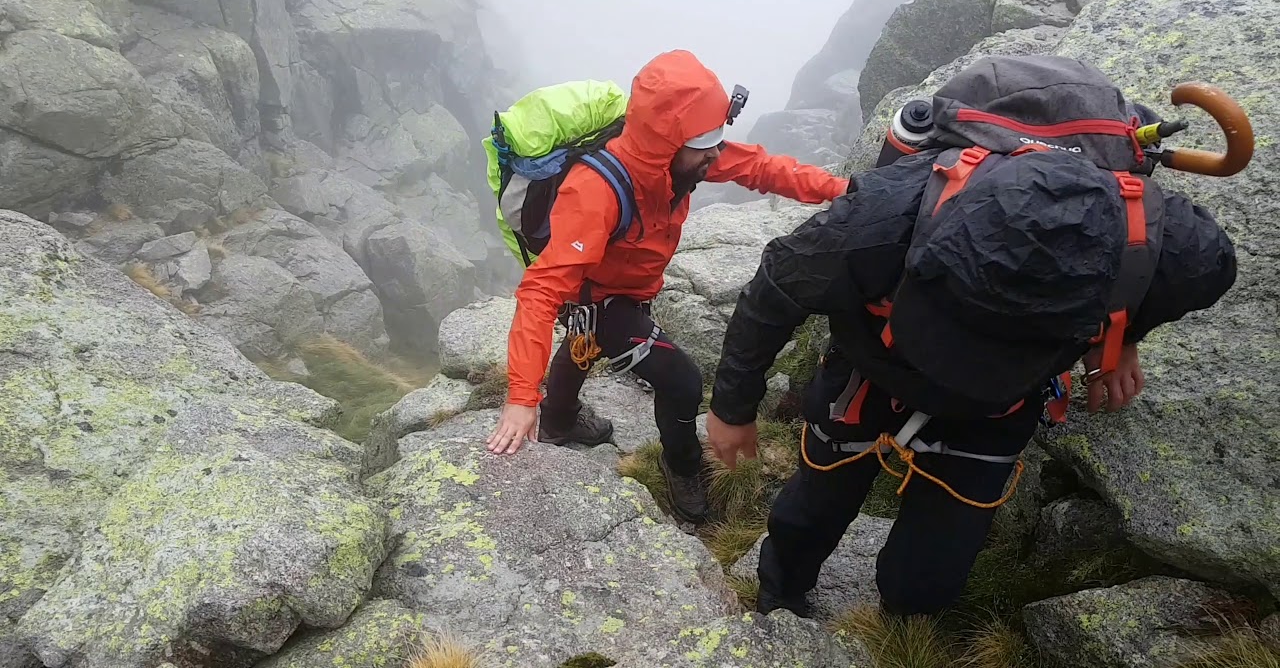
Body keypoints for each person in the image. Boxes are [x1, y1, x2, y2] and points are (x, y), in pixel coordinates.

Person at [703, 55, 1239, 617]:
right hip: (885, 370)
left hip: (973, 391)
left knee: (927, 578)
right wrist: (732, 409)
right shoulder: (882, 223)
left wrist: (1122, 336)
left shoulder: (1167, 247)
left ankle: (904, 618)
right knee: (811, 510)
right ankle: (781, 593)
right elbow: (777, 284)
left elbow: (1209, 269)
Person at [484, 49, 849, 523]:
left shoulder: (682, 160)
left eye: (717, 138)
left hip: (623, 286)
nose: (716, 153)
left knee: (583, 342)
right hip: (601, 295)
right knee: (682, 381)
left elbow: (760, 168)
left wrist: (846, 192)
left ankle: (558, 421)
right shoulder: (595, 191)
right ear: (667, 143)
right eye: (705, 144)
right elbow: (540, 291)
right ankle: (682, 466)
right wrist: (519, 398)